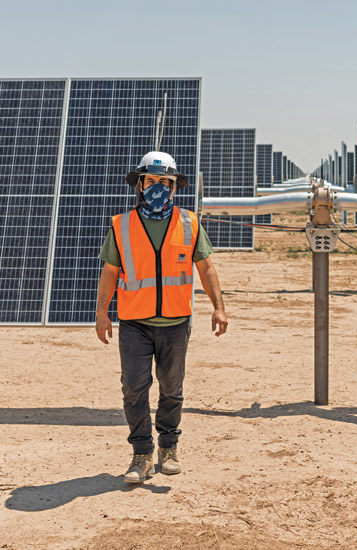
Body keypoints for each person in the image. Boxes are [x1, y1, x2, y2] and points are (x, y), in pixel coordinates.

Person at [95, 151, 228, 483]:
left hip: (175, 323)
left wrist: (219, 306)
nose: (157, 187)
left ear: (174, 188)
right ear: (140, 185)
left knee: (171, 388)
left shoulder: (189, 222)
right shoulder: (122, 225)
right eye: (151, 181)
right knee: (134, 389)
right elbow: (110, 272)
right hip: (134, 324)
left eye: (164, 182)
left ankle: (169, 448)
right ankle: (141, 454)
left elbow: (206, 267)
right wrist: (101, 312)